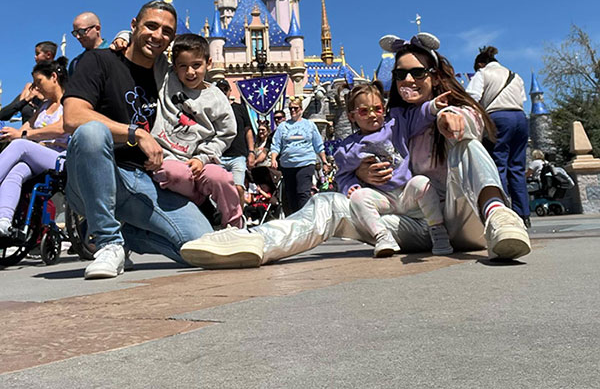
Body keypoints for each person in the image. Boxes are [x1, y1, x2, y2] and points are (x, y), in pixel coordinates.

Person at [180, 32, 531, 269]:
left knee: (464, 142)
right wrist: (359, 176)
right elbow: (359, 156)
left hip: (461, 217)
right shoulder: (391, 120)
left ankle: (500, 217)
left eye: (417, 72)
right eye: (400, 74)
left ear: (435, 74)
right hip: (417, 225)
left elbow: (467, 119)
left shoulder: (447, 107)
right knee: (328, 203)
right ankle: (257, 241)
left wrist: (451, 117)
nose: (408, 80)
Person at [62, 0, 213, 280]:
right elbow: (72, 116)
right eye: (151, 26)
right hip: (96, 175)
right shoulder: (99, 60)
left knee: (201, 246)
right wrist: (135, 133)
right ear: (133, 26)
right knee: (91, 132)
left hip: (143, 182)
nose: (158, 36)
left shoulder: (169, 76)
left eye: (166, 32)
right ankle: (107, 242)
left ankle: (121, 237)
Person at [336, 81, 453, 257]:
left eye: (377, 109)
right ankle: (382, 236)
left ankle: (438, 230)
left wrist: (433, 106)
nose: (372, 115)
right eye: (363, 111)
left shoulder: (396, 125)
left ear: (384, 108)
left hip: (407, 194)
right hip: (383, 198)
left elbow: (417, 117)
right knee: (359, 197)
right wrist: (351, 186)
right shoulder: (348, 148)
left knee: (422, 183)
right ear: (352, 116)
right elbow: (343, 175)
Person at [151, 34, 243, 228]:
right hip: (169, 157)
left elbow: (226, 133)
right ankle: (203, 204)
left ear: (209, 63)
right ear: (174, 66)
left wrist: (203, 157)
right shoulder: (167, 78)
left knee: (221, 178)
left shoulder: (217, 98)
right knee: (171, 172)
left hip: (201, 160)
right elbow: (149, 45)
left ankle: (235, 224)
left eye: (196, 65)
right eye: (183, 66)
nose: (190, 72)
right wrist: (124, 37)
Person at [0, 58, 69, 235]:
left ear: (53, 77)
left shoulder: (69, 101)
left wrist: (22, 135)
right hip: (39, 157)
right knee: (16, 171)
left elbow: (61, 128)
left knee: (21, 144)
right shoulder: (44, 107)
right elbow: (25, 128)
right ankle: (4, 221)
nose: (36, 88)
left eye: (39, 82)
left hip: (61, 158)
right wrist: (8, 134)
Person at [466, 46, 530, 226]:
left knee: (498, 164)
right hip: (520, 118)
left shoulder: (483, 73)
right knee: (517, 167)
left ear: (480, 63)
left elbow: (473, 97)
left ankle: (501, 210)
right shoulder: (515, 75)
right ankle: (523, 213)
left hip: (499, 117)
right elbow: (522, 99)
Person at [270, 96, 330, 213]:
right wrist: (274, 158)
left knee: (302, 193)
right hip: (288, 165)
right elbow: (276, 145)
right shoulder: (283, 127)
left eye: (295, 108)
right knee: (291, 195)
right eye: (291, 108)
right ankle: (294, 218)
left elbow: (318, 145)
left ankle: (305, 217)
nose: (293, 111)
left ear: (301, 109)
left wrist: (324, 161)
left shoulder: (310, 125)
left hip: (305, 162)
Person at [214, 80, 255, 209]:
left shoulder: (239, 108)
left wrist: (251, 152)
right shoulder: (213, 110)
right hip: (219, 155)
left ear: (229, 91)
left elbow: (248, 131)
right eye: (220, 89)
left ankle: (239, 216)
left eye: (225, 89)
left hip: (238, 155)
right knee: (219, 189)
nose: (223, 91)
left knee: (238, 187)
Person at [0, 41, 57, 123]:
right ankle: (18, 114)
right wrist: (26, 100)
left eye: (37, 54)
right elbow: (3, 115)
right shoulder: (30, 90)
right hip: (26, 133)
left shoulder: (57, 96)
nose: (35, 57)